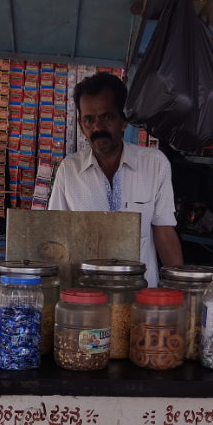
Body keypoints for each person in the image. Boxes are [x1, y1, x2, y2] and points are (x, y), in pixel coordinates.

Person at [48, 73, 183, 287]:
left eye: (107, 117)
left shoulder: (154, 164)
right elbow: (56, 239)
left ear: (124, 120)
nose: (97, 127)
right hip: (87, 300)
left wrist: (180, 293)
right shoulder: (69, 170)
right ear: (81, 126)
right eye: (89, 120)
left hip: (140, 299)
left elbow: (164, 233)